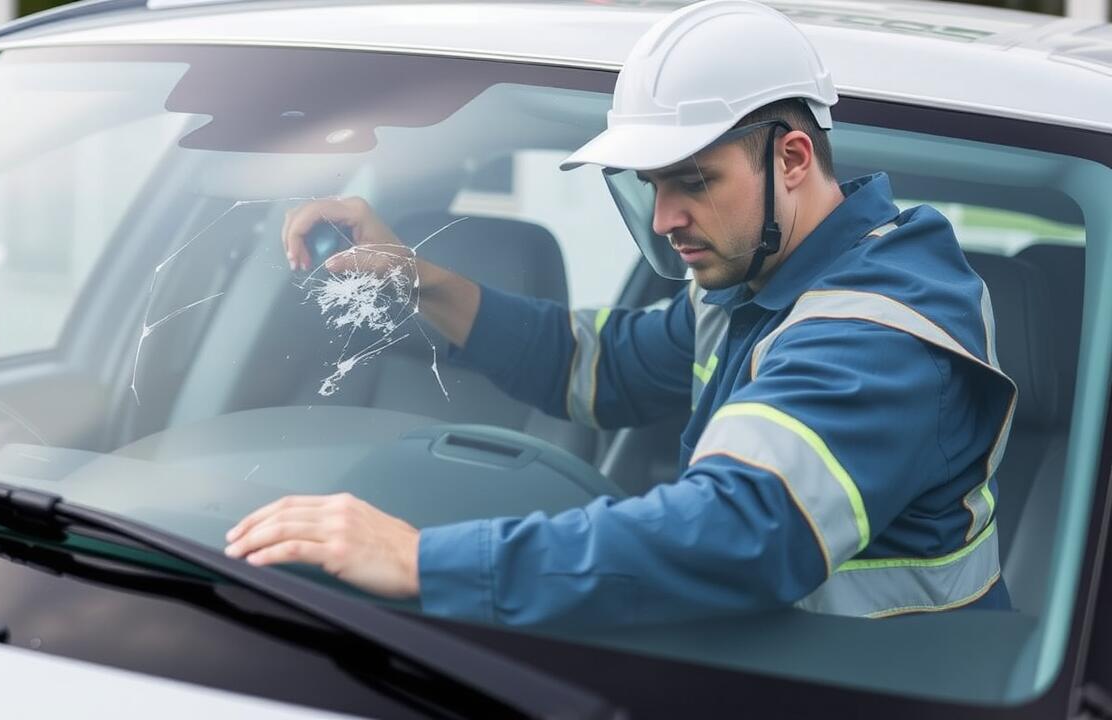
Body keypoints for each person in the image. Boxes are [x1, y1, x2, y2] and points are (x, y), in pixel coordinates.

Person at [223, 0, 1017, 626]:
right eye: (650, 186)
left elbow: (744, 532)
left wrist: (421, 561)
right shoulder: (755, 286)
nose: (666, 218)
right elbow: (594, 368)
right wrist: (416, 280)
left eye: (694, 182)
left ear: (793, 159)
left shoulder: (882, 326)